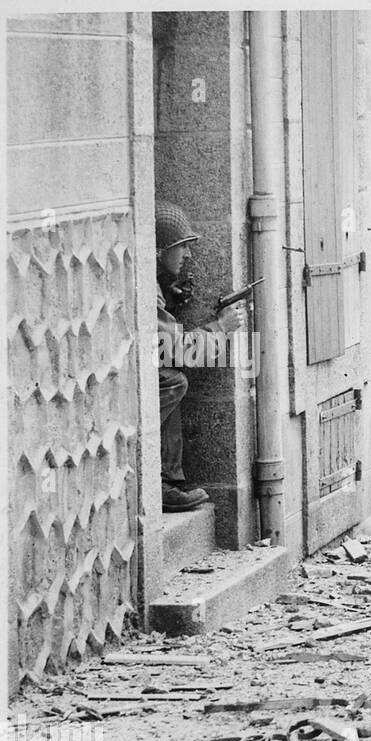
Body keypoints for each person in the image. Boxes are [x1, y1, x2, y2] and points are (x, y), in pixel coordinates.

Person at [155, 201, 247, 512]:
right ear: (158, 250)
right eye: (181, 247)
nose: (188, 255)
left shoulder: (156, 285)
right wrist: (220, 328)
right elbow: (178, 351)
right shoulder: (147, 291)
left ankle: (167, 479)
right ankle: (160, 481)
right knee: (170, 381)